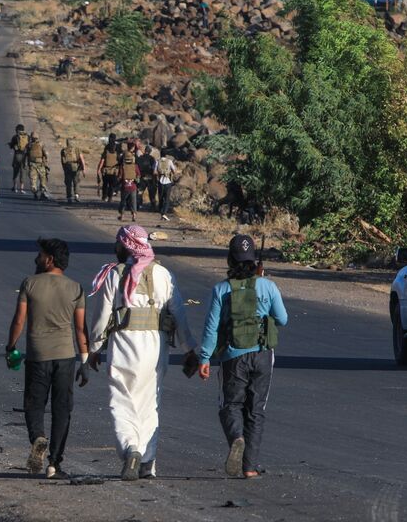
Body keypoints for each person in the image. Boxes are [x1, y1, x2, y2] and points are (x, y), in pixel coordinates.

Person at [87, 225, 197, 481]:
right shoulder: (163, 274)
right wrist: (190, 350)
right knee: (150, 403)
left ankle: (130, 448)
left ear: (125, 246)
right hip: (156, 348)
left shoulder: (115, 275)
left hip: (124, 345)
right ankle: (148, 462)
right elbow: (179, 314)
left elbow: (102, 317)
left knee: (122, 399)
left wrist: (93, 349)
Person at [197, 235, 289, 479]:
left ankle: (236, 437)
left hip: (232, 356)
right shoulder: (268, 286)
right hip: (262, 355)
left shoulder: (221, 289)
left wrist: (204, 358)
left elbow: (211, 327)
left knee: (230, 405)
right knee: (256, 409)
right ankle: (249, 466)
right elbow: (282, 319)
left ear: (229, 259)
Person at [4, 237, 89, 480]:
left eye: (40, 255)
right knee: (62, 409)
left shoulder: (29, 283)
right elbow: (80, 330)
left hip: (38, 356)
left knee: (34, 404)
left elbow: (19, 320)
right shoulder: (76, 288)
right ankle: (54, 463)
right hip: (66, 357)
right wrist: (85, 364)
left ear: (49, 259)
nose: (36, 259)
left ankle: (38, 438)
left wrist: (11, 347)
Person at [117, 142, 139, 222]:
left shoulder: (122, 166)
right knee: (133, 202)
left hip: (124, 186)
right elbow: (138, 175)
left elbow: (119, 176)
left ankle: (122, 215)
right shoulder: (135, 166)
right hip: (133, 186)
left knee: (123, 201)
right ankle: (134, 216)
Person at [60, 139, 86, 204]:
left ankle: (69, 197)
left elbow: (62, 161)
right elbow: (82, 159)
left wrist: (64, 169)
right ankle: (76, 195)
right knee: (76, 182)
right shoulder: (77, 149)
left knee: (68, 183)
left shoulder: (63, 150)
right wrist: (83, 169)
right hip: (76, 167)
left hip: (67, 168)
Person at [8, 124, 30, 194]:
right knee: (23, 172)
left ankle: (15, 187)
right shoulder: (28, 137)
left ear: (17, 129)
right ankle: (22, 189)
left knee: (15, 171)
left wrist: (11, 145)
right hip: (24, 156)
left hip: (17, 155)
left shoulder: (15, 137)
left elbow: (11, 146)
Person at [97, 135, 119, 203]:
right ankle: (110, 197)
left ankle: (104, 196)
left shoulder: (106, 148)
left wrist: (98, 169)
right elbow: (119, 160)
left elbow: (102, 160)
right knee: (112, 185)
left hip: (105, 170)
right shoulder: (118, 148)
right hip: (114, 171)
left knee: (105, 184)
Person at [28, 133, 50, 201]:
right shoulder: (41, 144)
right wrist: (46, 162)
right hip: (40, 165)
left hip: (32, 165)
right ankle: (42, 193)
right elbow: (46, 154)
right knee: (42, 180)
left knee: (33, 181)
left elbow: (26, 155)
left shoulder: (29, 145)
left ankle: (35, 193)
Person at [157, 153, 178, 221]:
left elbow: (154, 172)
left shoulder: (158, 161)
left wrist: (160, 173)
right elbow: (174, 171)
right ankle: (164, 214)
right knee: (166, 199)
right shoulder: (169, 161)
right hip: (168, 182)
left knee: (160, 198)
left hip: (160, 182)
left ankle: (161, 212)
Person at [138, 145, 158, 212]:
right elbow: (154, 169)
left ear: (145, 150)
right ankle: (153, 206)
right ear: (150, 151)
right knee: (152, 193)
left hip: (142, 177)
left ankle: (138, 205)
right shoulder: (152, 159)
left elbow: (137, 167)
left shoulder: (140, 158)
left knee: (140, 192)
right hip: (150, 178)